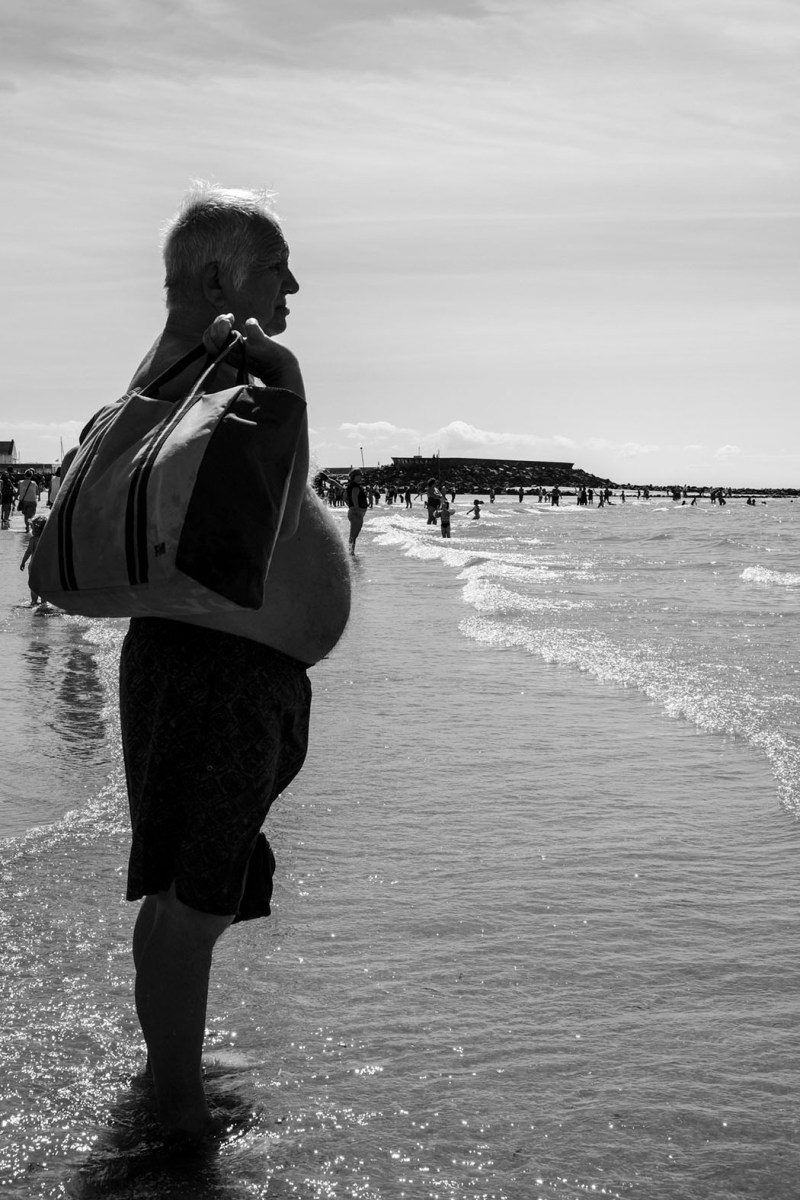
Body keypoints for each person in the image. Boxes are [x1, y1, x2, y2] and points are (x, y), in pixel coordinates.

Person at [115, 184, 351, 1139]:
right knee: (195, 901)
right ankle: (177, 1114)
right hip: (222, 679)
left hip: (183, 665)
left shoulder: (161, 375)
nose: (293, 283)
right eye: (275, 265)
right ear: (221, 276)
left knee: (176, 890)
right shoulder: (251, 367)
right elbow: (265, 530)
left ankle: (167, 1070)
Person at [19, 515, 47, 603]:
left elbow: (28, 552)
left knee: (34, 586)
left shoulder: (33, 539)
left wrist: (23, 562)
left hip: (34, 567)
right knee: (45, 586)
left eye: (33, 528)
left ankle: (34, 602)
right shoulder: (48, 539)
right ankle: (44, 602)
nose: (31, 530)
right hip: (46, 567)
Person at [345, 468, 368, 555]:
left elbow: (346, 498)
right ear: (353, 477)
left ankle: (351, 552)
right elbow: (354, 497)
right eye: (358, 476)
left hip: (353, 511)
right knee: (354, 535)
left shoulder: (350, 486)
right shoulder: (354, 486)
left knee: (353, 535)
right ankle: (351, 553)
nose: (360, 478)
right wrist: (357, 509)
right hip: (356, 512)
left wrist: (351, 507)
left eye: (360, 476)